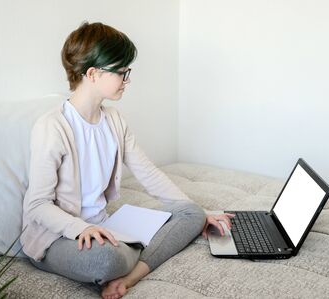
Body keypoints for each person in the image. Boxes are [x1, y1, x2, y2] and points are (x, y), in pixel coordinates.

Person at [20, 21, 234, 299]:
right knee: (108, 260)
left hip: (105, 226)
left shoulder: (114, 121)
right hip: (58, 237)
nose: (127, 79)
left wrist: (202, 214)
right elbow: (37, 205)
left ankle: (130, 276)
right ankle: (127, 263)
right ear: (93, 73)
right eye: (122, 71)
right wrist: (81, 228)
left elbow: (148, 173)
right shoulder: (52, 127)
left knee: (191, 213)